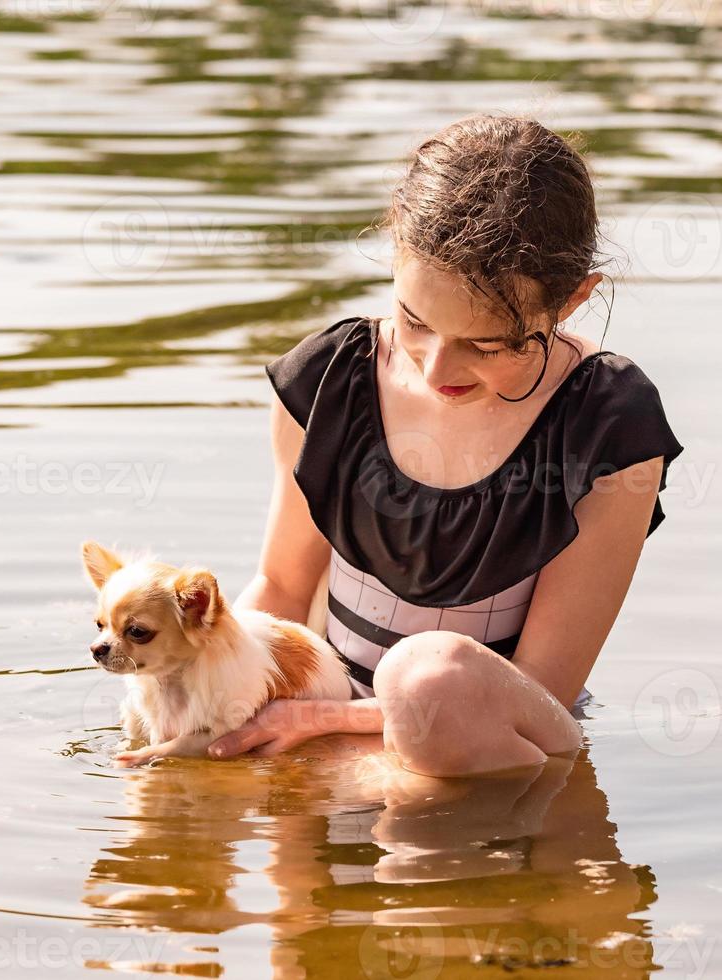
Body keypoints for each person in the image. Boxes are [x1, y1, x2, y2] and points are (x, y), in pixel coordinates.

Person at [207, 113, 684, 777]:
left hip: (485, 738)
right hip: (329, 714)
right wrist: (203, 702)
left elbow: (545, 683)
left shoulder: (604, 423)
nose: (436, 371)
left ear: (572, 299)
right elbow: (283, 588)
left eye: (488, 345)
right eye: (413, 322)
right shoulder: (329, 378)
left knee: (430, 678)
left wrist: (328, 721)